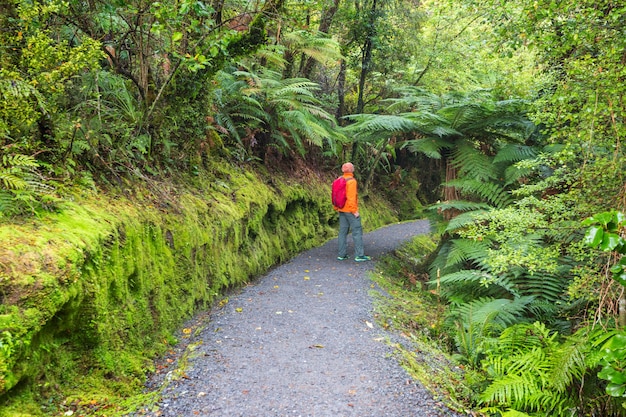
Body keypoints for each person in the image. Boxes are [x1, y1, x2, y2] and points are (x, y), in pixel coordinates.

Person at [334, 162, 371, 262]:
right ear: (352, 170)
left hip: (341, 209)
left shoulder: (339, 179)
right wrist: (354, 211)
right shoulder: (352, 181)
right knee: (357, 231)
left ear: (343, 170)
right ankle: (359, 255)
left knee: (342, 232)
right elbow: (351, 198)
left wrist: (337, 208)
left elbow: (335, 195)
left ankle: (341, 255)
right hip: (350, 210)